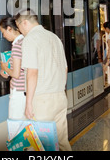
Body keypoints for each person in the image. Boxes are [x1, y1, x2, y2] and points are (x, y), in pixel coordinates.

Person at [15, 9, 72, 151]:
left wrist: (28, 103)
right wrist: (58, 88)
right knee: (62, 142)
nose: (20, 31)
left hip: (42, 101)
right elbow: (64, 68)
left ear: (25, 22)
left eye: (19, 27)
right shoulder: (54, 37)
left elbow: (32, 72)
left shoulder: (29, 39)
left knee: (40, 145)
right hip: (60, 96)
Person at [0, 17, 25, 120]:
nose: (3, 36)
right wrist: (8, 72)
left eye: (3, 32)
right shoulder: (24, 41)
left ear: (9, 28)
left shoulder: (17, 45)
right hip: (25, 90)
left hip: (19, 91)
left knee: (16, 125)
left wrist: (5, 67)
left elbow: (16, 74)